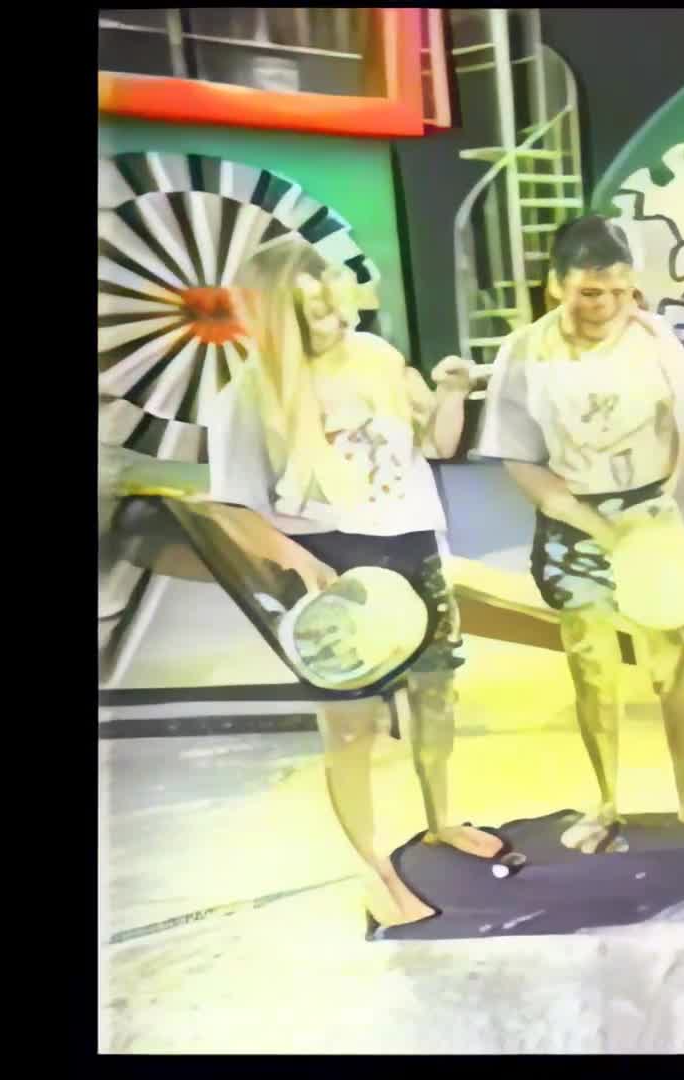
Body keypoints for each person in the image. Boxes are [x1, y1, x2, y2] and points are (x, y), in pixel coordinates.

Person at [206, 234, 486, 927]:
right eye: (313, 314)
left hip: (412, 544)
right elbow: (231, 507)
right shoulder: (248, 395)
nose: (334, 321)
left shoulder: (378, 357)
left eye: (336, 304)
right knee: (350, 727)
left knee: (436, 694)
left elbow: (437, 445)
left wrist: (451, 391)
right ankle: (372, 867)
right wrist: (299, 562)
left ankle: (442, 820)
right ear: (276, 317)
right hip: (329, 559)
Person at [474, 214, 684, 853]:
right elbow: (520, 459)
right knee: (592, 671)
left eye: (621, 291)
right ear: (555, 285)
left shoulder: (653, 338)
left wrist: (666, 497)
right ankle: (607, 802)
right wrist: (592, 524)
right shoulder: (525, 352)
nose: (608, 306)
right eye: (591, 292)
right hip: (573, 523)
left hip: (649, 515)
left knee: (672, 666)